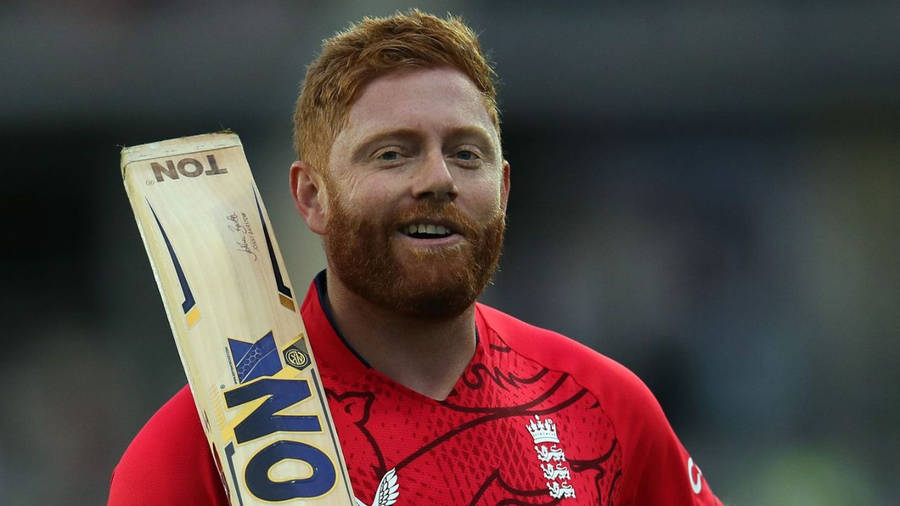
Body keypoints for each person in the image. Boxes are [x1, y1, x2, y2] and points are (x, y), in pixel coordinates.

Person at [109, 10, 721, 505]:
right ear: (312, 197)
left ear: (503, 190)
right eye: (392, 154)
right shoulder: (197, 446)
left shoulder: (605, 404)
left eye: (466, 153)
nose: (438, 179)